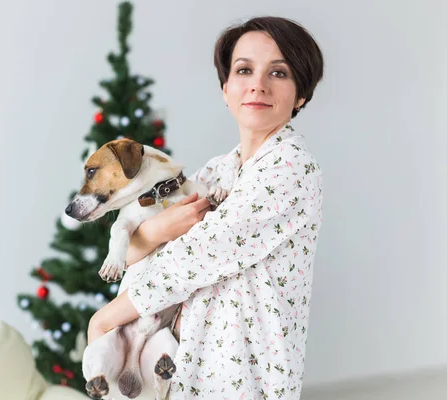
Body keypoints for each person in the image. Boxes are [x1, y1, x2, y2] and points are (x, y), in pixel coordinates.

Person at [87, 16, 325, 399]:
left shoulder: (289, 166)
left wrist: (107, 317)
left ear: (301, 94)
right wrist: (158, 231)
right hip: (187, 366)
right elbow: (132, 250)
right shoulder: (217, 171)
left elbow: (201, 253)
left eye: (278, 73)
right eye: (244, 70)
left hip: (243, 375)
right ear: (226, 87)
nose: (258, 85)